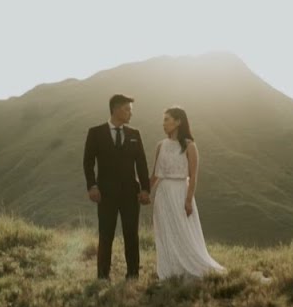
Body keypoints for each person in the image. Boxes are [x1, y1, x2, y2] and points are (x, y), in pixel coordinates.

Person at [150, 107, 226, 280]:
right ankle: (170, 271)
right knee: (166, 231)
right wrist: (145, 192)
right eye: (163, 120)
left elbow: (193, 176)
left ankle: (191, 267)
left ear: (178, 121)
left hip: (180, 192)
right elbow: (154, 175)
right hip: (163, 194)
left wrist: (188, 200)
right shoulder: (160, 145)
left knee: (183, 231)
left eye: (167, 119)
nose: (163, 123)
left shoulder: (190, 146)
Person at [83, 94, 151, 280]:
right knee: (106, 235)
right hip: (105, 194)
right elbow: (88, 162)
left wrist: (145, 189)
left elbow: (141, 164)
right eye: (127, 109)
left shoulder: (134, 134)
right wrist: (92, 186)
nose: (130, 113)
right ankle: (103, 276)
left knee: (131, 235)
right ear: (115, 109)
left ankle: (133, 275)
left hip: (130, 193)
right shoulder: (95, 133)